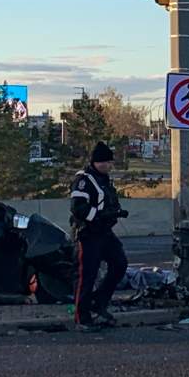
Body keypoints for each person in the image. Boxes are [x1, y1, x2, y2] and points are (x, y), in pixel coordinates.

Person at [69, 141, 128, 330]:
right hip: (88, 233)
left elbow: (108, 202)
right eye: (106, 162)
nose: (110, 166)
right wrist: (99, 215)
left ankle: (99, 302)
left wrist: (115, 213)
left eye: (111, 162)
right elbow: (78, 208)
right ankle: (82, 317)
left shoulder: (105, 180)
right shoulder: (84, 180)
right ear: (97, 162)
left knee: (119, 264)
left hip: (104, 232)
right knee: (87, 275)